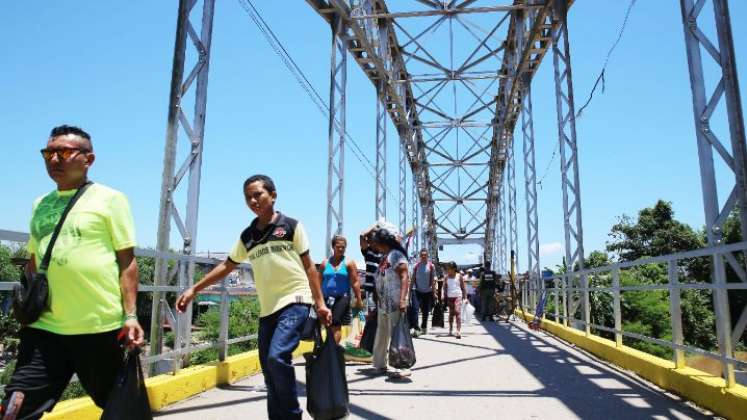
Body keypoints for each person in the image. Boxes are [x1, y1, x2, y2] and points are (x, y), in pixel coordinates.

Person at [1, 125, 145, 420]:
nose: (54, 159)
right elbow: (34, 259)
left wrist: (130, 315)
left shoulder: (111, 199)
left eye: (64, 152)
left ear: (88, 159)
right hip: (46, 328)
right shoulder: (40, 204)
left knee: (124, 410)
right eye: (49, 152)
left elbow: (127, 261)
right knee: (15, 408)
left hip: (99, 327)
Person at [176, 174, 331, 420]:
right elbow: (227, 266)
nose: (253, 200)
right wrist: (195, 288)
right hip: (268, 310)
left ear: (273, 195)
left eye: (258, 194)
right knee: (269, 371)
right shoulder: (248, 236)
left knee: (277, 357)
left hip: (296, 300)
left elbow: (310, 267)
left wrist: (320, 303)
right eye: (248, 197)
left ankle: (292, 415)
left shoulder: (291, 226)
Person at [369, 221, 411, 378]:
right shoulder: (385, 257)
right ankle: (379, 364)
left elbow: (404, 276)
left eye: (376, 243)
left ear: (382, 242)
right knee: (382, 334)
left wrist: (402, 300)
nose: (374, 246)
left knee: (397, 335)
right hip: (383, 304)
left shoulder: (396, 255)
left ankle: (402, 365)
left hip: (394, 302)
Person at [319, 235, 363, 344]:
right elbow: (318, 281)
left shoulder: (349, 263)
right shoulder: (325, 263)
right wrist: (315, 298)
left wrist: (359, 299)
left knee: (335, 321)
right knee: (324, 322)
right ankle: (324, 348)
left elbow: (355, 282)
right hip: (326, 297)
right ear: (333, 247)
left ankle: (332, 350)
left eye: (343, 247)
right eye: (338, 247)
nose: (341, 249)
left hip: (342, 297)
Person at [411, 249, 435, 335]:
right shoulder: (416, 266)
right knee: (415, 310)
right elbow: (413, 278)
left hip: (427, 292)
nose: (423, 256)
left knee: (425, 311)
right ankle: (417, 328)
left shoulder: (431, 266)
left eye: (425, 255)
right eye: (422, 255)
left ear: (427, 256)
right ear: (420, 256)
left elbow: (432, 280)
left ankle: (424, 327)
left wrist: (434, 293)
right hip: (417, 291)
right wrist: (410, 291)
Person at [442, 262, 467, 339]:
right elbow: (444, 287)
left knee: (457, 311)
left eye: (449, 268)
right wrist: (443, 295)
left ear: (454, 269)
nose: (448, 270)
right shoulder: (446, 277)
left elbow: (463, 288)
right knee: (451, 314)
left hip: (458, 296)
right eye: (447, 269)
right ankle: (450, 329)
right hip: (450, 297)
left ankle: (458, 331)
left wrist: (465, 298)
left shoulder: (459, 276)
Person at [360, 225, 382, 309]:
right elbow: (362, 236)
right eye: (371, 240)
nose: (374, 242)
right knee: (372, 316)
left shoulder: (384, 253)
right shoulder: (368, 252)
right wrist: (373, 227)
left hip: (382, 291)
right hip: (371, 291)